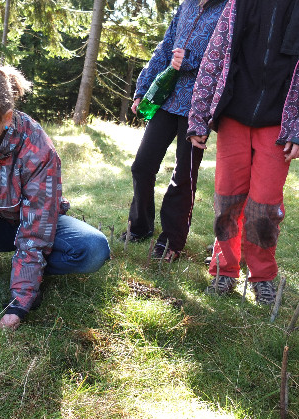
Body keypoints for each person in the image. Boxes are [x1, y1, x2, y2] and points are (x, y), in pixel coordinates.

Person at [0, 64, 111, 330]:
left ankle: (28, 272)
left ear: (6, 118)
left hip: (31, 224)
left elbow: (37, 231)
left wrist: (20, 303)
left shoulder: (37, 149)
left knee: (94, 250)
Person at [188, 0, 299, 304]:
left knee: (264, 208)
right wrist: (199, 117)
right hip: (234, 116)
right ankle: (224, 270)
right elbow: (213, 59)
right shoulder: (238, 4)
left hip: (279, 125)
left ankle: (263, 276)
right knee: (227, 200)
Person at [121, 0, 227, 262]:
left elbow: (226, 59)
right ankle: (141, 227)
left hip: (198, 107)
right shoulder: (187, 5)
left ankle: (171, 241)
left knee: (183, 176)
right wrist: (143, 88)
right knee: (142, 166)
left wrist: (188, 60)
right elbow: (166, 46)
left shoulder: (229, 8)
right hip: (168, 100)